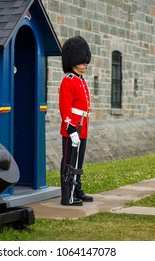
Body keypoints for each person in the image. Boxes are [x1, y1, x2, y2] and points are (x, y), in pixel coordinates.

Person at [59, 35, 93, 206]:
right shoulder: (68, 80)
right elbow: (65, 108)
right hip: (72, 128)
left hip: (82, 127)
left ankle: (77, 189)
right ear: (73, 61)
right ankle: (67, 196)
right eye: (82, 60)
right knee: (69, 163)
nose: (85, 63)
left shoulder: (81, 80)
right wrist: (71, 130)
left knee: (78, 162)